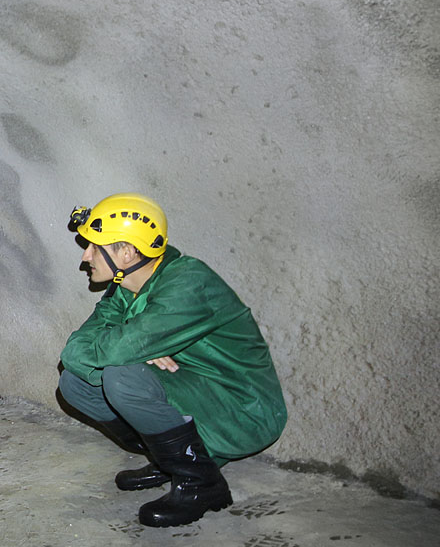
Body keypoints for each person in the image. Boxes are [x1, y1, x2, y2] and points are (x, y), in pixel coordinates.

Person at [58, 193, 287, 528]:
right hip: (193, 388)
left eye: (95, 246)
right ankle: (170, 460)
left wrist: (130, 348)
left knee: (122, 376)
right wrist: (138, 348)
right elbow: (75, 350)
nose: (85, 256)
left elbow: (110, 351)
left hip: (242, 410)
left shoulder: (187, 283)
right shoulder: (127, 286)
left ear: (127, 252)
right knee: (74, 384)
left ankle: (202, 483)